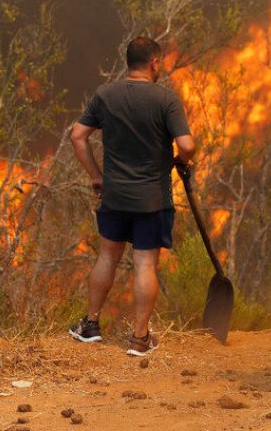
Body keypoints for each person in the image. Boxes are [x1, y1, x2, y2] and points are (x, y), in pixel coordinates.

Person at [68, 36, 196, 357]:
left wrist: (96, 177)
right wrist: (179, 161)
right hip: (151, 199)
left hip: (114, 196)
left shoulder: (105, 95)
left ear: (129, 62)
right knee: (144, 264)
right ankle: (139, 339)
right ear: (154, 63)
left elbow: (77, 136)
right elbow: (188, 145)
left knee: (107, 257)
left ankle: (90, 325)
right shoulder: (165, 100)